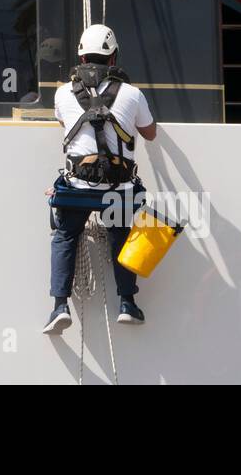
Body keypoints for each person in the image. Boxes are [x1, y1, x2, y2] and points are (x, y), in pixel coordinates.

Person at [43, 23, 156, 335]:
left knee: (65, 236)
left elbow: (65, 124)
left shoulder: (62, 94)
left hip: (77, 188)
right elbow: (150, 133)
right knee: (121, 236)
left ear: (81, 59)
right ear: (114, 57)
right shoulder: (133, 94)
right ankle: (127, 304)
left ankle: (59, 307)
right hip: (118, 190)